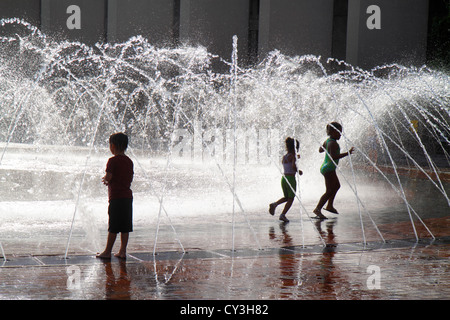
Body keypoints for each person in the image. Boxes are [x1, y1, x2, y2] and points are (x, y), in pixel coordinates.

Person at [97, 132, 134, 259]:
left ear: (112, 146)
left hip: (116, 198)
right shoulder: (129, 161)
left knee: (113, 226)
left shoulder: (112, 161)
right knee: (125, 227)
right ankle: (122, 251)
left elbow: (108, 177)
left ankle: (107, 251)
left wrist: (105, 180)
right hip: (127, 197)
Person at [313, 122, 354, 219]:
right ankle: (318, 209)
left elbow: (320, 150)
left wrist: (325, 146)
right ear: (332, 132)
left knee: (336, 186)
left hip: (328, 167)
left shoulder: (328, 141)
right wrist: (347, 153)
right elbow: (333, 157)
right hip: (328, 168)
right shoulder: (332, 143)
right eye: (338, 132)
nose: (340, 134)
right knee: (329, 190)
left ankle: (329, 205)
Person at [269, 137, 303, 223]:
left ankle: (274, 204)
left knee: (286, 197)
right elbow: (293, 166)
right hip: (291, 179)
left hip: (284, 178)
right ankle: (283, 215)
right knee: (291, 199)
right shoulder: (293, 156)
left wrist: (296, 157)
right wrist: (299, 171)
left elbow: (288, 164)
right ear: (295, 148)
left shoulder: (284, 157)